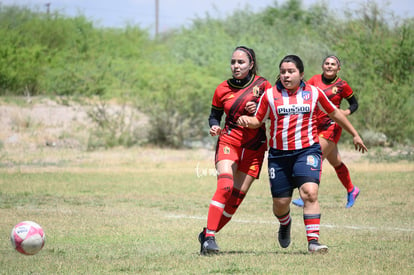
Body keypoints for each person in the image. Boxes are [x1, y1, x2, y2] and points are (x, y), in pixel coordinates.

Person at [237, 55, 367, 253]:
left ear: (301, 74)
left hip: (307, 150)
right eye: (283, 72)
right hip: (279, 156)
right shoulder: (270, 95)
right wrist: (248, 120)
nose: (286, 75)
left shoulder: (314, 93)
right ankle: (285, 222)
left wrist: (355, 134)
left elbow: (336, 114)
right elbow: (258, 120)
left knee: (310, 193)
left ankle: (313, 241)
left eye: (291, 72)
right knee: (280, 204)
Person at [198, 46, 272, 255]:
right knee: (225, 186)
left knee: (235, 200)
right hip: (229, 141)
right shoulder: (222, 88)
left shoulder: (263, 85)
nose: (236, 66)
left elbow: (273, 112)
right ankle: (210, 237)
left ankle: (206, 234)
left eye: (241, 62)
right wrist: (214, 125)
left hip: (255, 147)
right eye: (233, 62)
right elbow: (215, 115)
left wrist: (258, 110)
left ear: (251, 65)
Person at [292, 55, 360, 208]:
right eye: (327, 63)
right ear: (323, 66)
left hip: (332, 126)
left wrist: (346, 113)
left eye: (333, 64)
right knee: (335, 162)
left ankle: (307, 195)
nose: (329, 66)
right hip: (315, 125)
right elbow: (303, 94)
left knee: (314, 157)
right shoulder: (314, 80)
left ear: (338, 68)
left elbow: (354, 104)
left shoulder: (342, 85)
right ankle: (352, 189)